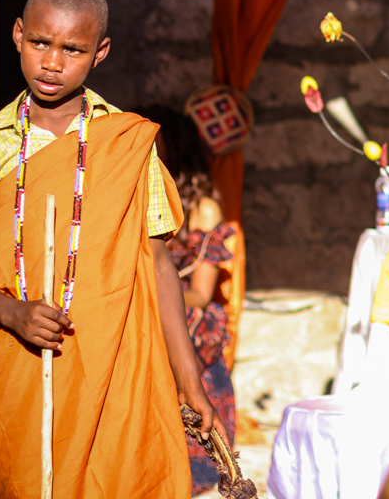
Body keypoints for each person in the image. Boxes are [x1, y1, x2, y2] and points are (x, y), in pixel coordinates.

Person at [0, 0, 225, 498]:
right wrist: (9, 313)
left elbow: (159, 265)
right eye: (41, 42)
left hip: (113, 366)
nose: (52, 62)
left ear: (100, 52)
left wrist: (189, 379)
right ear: (18, 35)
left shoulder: (128, 144)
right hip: (18, 363)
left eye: (73, 49)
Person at [138, 105, 238, 497]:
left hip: (186, 319)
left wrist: (155, 289)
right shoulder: (138, 198)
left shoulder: (203, 208)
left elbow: (201, 291)